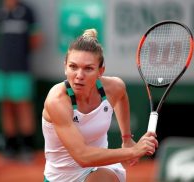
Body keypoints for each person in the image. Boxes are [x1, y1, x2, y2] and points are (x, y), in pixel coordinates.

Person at [42, 29, 158, 182]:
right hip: (60, 177)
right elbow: (82, 156)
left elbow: (121, 96)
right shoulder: (57, 100)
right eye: (73, 67)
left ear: (100, 71)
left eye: (88, 68)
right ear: (65, 67)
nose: (79, 75)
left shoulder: (113, 87)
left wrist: (127, 138)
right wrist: (133, 151)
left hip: (99, 169)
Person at [0, 0, 42, 161]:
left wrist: (20, 56)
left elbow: (36, 39)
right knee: (6, 105)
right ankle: (10, 147)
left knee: (23, 106)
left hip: (21, 69)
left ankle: (27, 147)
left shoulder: (27, 11)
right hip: (2, 68)